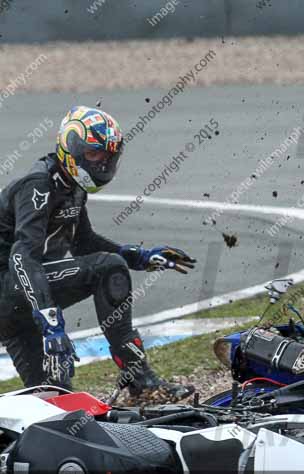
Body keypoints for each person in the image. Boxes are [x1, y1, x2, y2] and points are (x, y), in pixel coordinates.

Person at [0, 105, 195, 401]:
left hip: (19, 310)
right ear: (71, 148)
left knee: (56, 401)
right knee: (109, 269)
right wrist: (52, 323)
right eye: (93, 154)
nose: (101, 163)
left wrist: (139, 257)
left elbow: (85, 243)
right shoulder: (38, 186)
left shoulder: (73, 186)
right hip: (10, 293)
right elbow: (21, 257)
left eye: (107, 156)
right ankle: (141, 382)